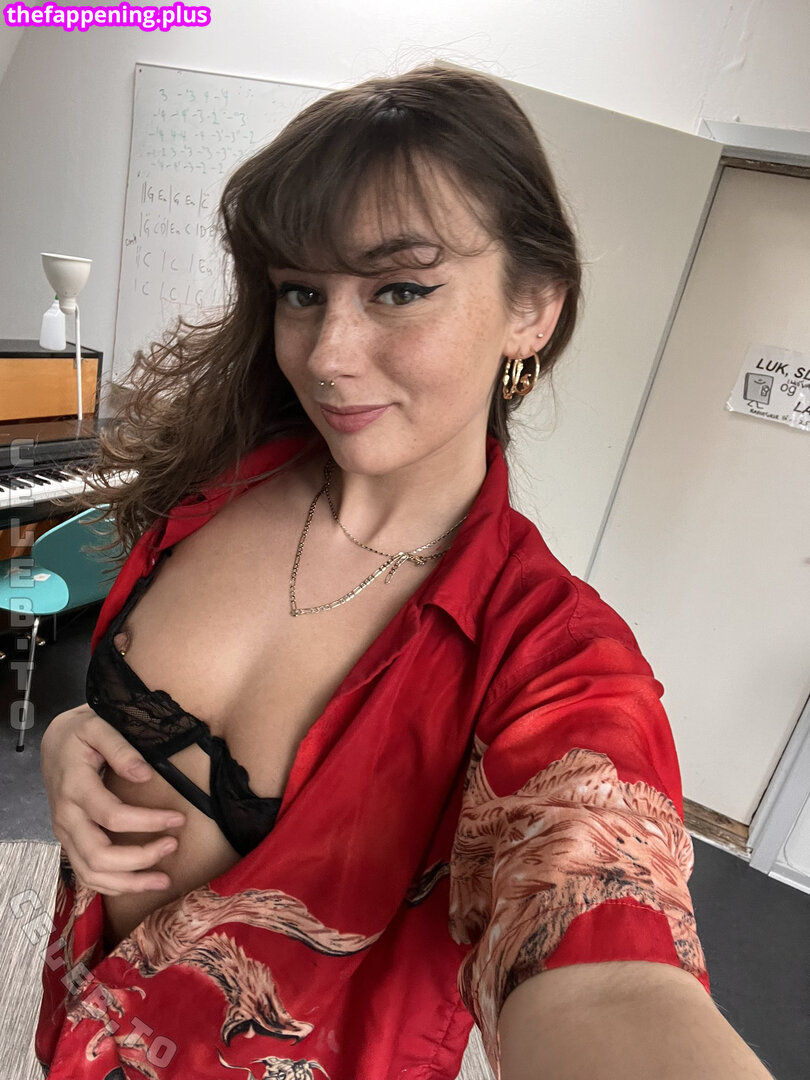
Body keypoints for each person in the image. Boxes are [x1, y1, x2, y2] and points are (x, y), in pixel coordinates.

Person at [34, 63, 773, 1080]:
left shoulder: (550, 658)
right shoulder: (220, 478)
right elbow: (131, 718)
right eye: (302, 292)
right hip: (75, 1021)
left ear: (533, 309)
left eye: (400, 289)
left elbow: (607, 962)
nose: (327, 355)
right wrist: (73, 735)